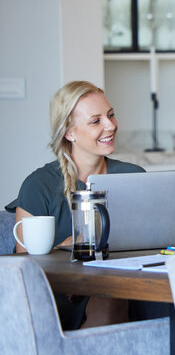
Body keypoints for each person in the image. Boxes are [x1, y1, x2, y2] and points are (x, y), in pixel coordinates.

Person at [5, 81, 144, 329]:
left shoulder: (133, 176)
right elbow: (22, 268)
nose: (110, 125)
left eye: (110, 115)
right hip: (59, 298)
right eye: (96, 121)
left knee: (113, 297)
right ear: (69, 132)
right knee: (109, 301)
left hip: (125, 289)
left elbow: (151, 241)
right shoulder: (39, 185)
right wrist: (67, 249)